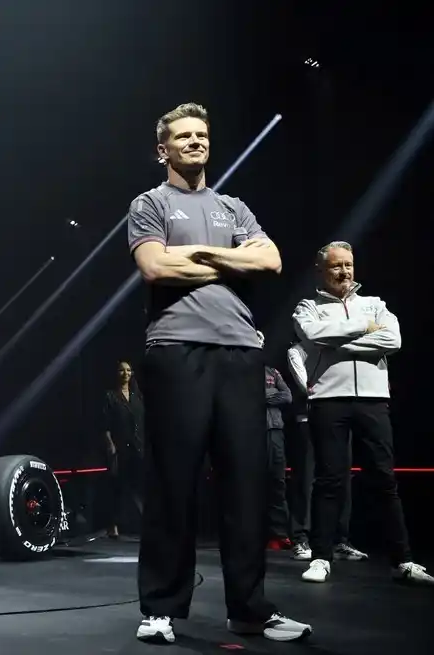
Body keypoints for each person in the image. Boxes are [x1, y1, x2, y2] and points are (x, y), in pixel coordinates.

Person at [126, 103, 311, 644]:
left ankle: (249, 610)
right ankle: (160, 608)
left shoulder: (234, 207)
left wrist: (197, 254)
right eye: (183, 136)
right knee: (173, 482)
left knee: (247, 485)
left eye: (201, 135)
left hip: (240, 352)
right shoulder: (151, 203)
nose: (195, 142)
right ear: (163, 149)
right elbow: (155, 266)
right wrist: (231, 259)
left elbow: (271, 262)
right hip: (176, 349)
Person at [289, 241, 431, 585]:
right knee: (329, 480)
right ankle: (321, 557)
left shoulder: (375, 305)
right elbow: (314, 334)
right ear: (321, 271)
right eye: (336, 266)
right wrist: (365, 328)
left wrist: (339, 341)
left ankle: (403, 561)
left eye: (348, 265)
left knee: (384, 478)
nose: (344, 272)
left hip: (373, 399)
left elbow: (393, 341)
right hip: (329, 399)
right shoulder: (308, 307)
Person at [287, 342, 365, 563]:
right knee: (307, 480)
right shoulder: (297, 351)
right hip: (309, 419)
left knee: (342, 478)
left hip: (338, 420)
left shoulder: (338, 347)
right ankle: (301, 539)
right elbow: (307, 388)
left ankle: (340, 540)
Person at [257, 332, 293, 548]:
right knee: (252, 484)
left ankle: (279, 533)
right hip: (250, 432)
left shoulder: (273, 371)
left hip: (275, 431)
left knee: (277, 482)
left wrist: (260, 396)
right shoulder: (238, 371)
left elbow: (287, 396)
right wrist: (270, 394)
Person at [102, 360, 144, 538]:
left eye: (128, 370)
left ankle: (144, 522)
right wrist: (110, 445)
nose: (125, 373)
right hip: (120, 447)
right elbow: (105, 425)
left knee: (140, 486)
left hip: (138, 447)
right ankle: (113, 525)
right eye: (121, 370)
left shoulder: (137, 396)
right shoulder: (110, 396)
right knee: (117, 487)